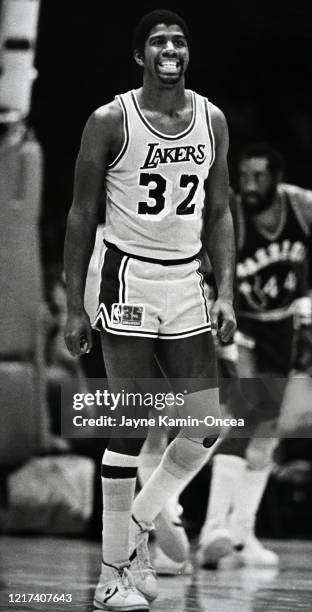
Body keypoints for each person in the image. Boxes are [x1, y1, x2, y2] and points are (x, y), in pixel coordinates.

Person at [64, 9, 236, 611]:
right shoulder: (110, 120)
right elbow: (82, 214)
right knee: (131, 423)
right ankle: (112, 575)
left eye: (180, 41)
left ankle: (137, 524)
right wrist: (73, 308)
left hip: (187, 280)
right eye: (159, 42)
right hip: (126, 278)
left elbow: (219, 210)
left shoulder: (211, 119)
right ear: (141, 56)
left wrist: (229, 293)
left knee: (207, 425)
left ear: (188, 54)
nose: (171, 48)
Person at [197, 142, 312, 568]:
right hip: (237, 320)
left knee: (268, 433)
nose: (249, 184)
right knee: (245, 417)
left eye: (258, 176)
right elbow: (204, 271)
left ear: (277, 178)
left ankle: (243, 536)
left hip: (283, 324)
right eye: (244, 175)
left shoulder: (300, 207)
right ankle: (212, 530)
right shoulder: (230, 215)